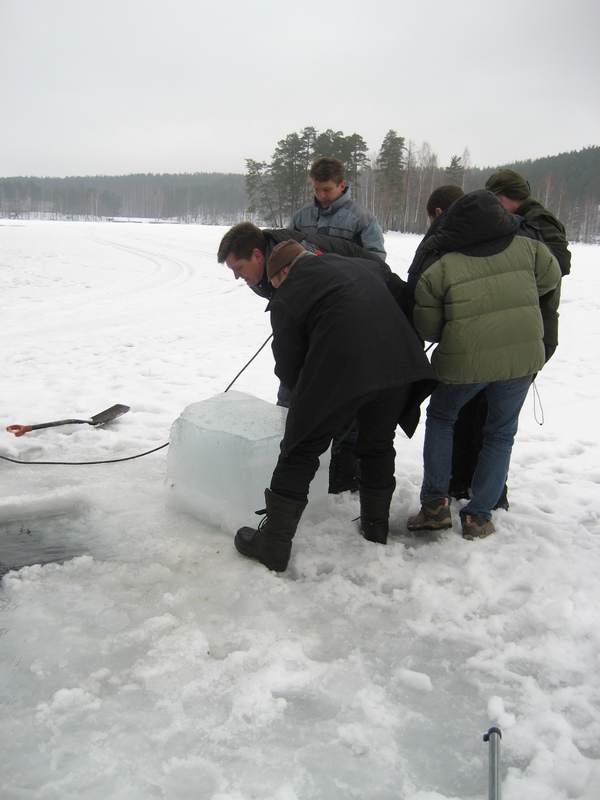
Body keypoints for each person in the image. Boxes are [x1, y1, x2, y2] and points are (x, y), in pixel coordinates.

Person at [234, 240, 437, 571]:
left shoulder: (288, 293)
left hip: (347, 367)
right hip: (400, 364)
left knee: (299, 448)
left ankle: (273, 542)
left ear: (283, 271)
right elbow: (397, 288)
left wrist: (314, 405)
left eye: (274, 283)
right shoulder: (359, 265)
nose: (275, 290)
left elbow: (288, 371)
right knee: (377, 445)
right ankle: (376, 527)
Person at [406, 190, 561, 540]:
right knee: (501, 433)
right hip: (521, 358)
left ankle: (435, 505)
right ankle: (478, 517)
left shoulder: (441, 263)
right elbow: (549, 281)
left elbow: (427, 326)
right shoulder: (530, 246)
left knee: (443, 418)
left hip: (464, 361)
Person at [217, 222, 407, 493]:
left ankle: (338, 463)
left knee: (333, 399)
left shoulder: (299, 260)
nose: (237, 277)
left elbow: (295, 357)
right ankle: (296, 460)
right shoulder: (268, 266)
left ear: (258, 256)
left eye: (238, 268)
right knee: (306, 395)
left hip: (370, 315)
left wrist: (302, 401)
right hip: (342, 327)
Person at [445, 170, 572, 507]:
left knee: (493, 419)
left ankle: (489, 494)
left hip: (528, 332)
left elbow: (557, 266)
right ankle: (463, 484)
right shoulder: (521, 221)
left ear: (504, 196)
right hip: (506, 329)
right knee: (475, 413)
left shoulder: (537, 222)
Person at [288, 156, 387, 259]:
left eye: (327, 190)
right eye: (317, 189)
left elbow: (376, 259)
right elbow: (284, 251)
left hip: (348, 274)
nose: (321, 195)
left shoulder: (362, 219)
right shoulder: (301, 216)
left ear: (342, 185)